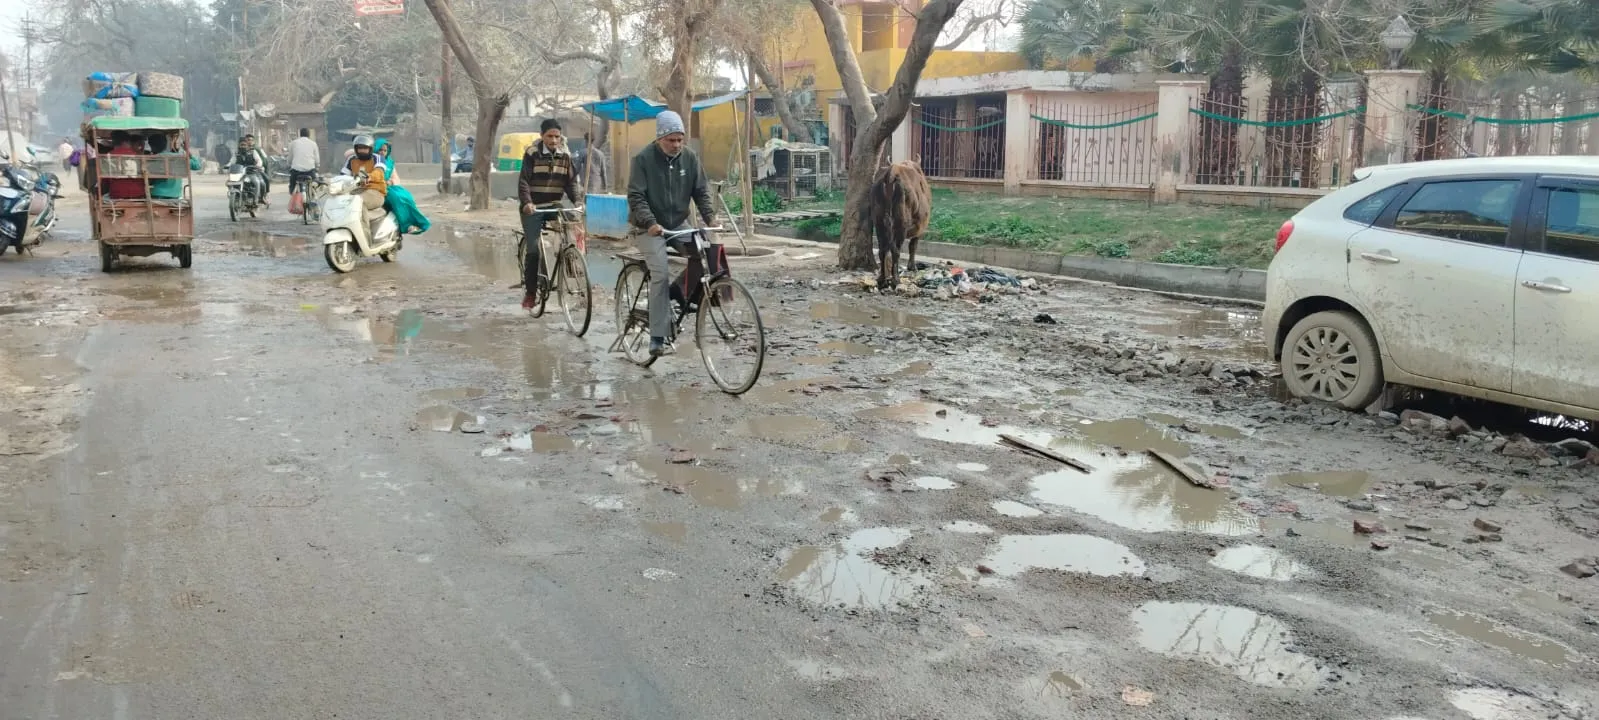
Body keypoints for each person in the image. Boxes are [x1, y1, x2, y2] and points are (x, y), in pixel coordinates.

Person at [626, 110, 714, 357]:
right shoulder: (643, 160)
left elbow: (701, 192)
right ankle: (657, 336)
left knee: (707, 253)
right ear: (659, 138)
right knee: (660, 271)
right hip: (647, 227)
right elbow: (636, 196)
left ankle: (677, 292)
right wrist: (650, 222)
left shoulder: (690, 158)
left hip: (677, 224)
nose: (676, 145)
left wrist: (711, 218)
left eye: (679, 139)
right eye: (670, 140)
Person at [516, 118, 582, 310]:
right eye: (550, 136)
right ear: (542, 136)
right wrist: (527, 203)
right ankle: (530, 293)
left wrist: (577, 201)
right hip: (534, 207)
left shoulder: (566, 156)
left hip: (554, 204)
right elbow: (524, 182)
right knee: (534, 249)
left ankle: (572, 263)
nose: (554, 141)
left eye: (557, 137)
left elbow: (571, 183)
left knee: (574, 226)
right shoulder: (532, 154)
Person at [342, 134, 388, 212]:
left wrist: (368, 176)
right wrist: (328, 181)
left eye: (365, 148)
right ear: (356, 149)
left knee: (358, 202)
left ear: (371, 148)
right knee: (340, 202)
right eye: (360, 148)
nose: (362, 150)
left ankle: (363, 224)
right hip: (355, 190)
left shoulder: (378, 158)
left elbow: (379, 172)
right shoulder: (351, 159)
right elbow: (343, 175)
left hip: (375, 191)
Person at [236, 134, 270, 206]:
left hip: (252, 171)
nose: (243, 146)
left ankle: (258, 199)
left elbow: (261, 160)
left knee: (260, 182)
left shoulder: (254, 151)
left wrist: (258, 166)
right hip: (240, 173)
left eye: (244, 145)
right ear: (239, 145)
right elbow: (232, 161)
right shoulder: (237, 153)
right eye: (241, 145)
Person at [287, 128, 320, 196]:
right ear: (309, 135)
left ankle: (293, 195)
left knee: (292, 185)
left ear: (300, 134)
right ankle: (313, 197)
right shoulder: (313, 144)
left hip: (296, 171)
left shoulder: (293, 143)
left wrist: (289, 164)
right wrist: (317, 167)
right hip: (310, 170)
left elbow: (290, 158)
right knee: (314, 184)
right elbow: (317, 159)